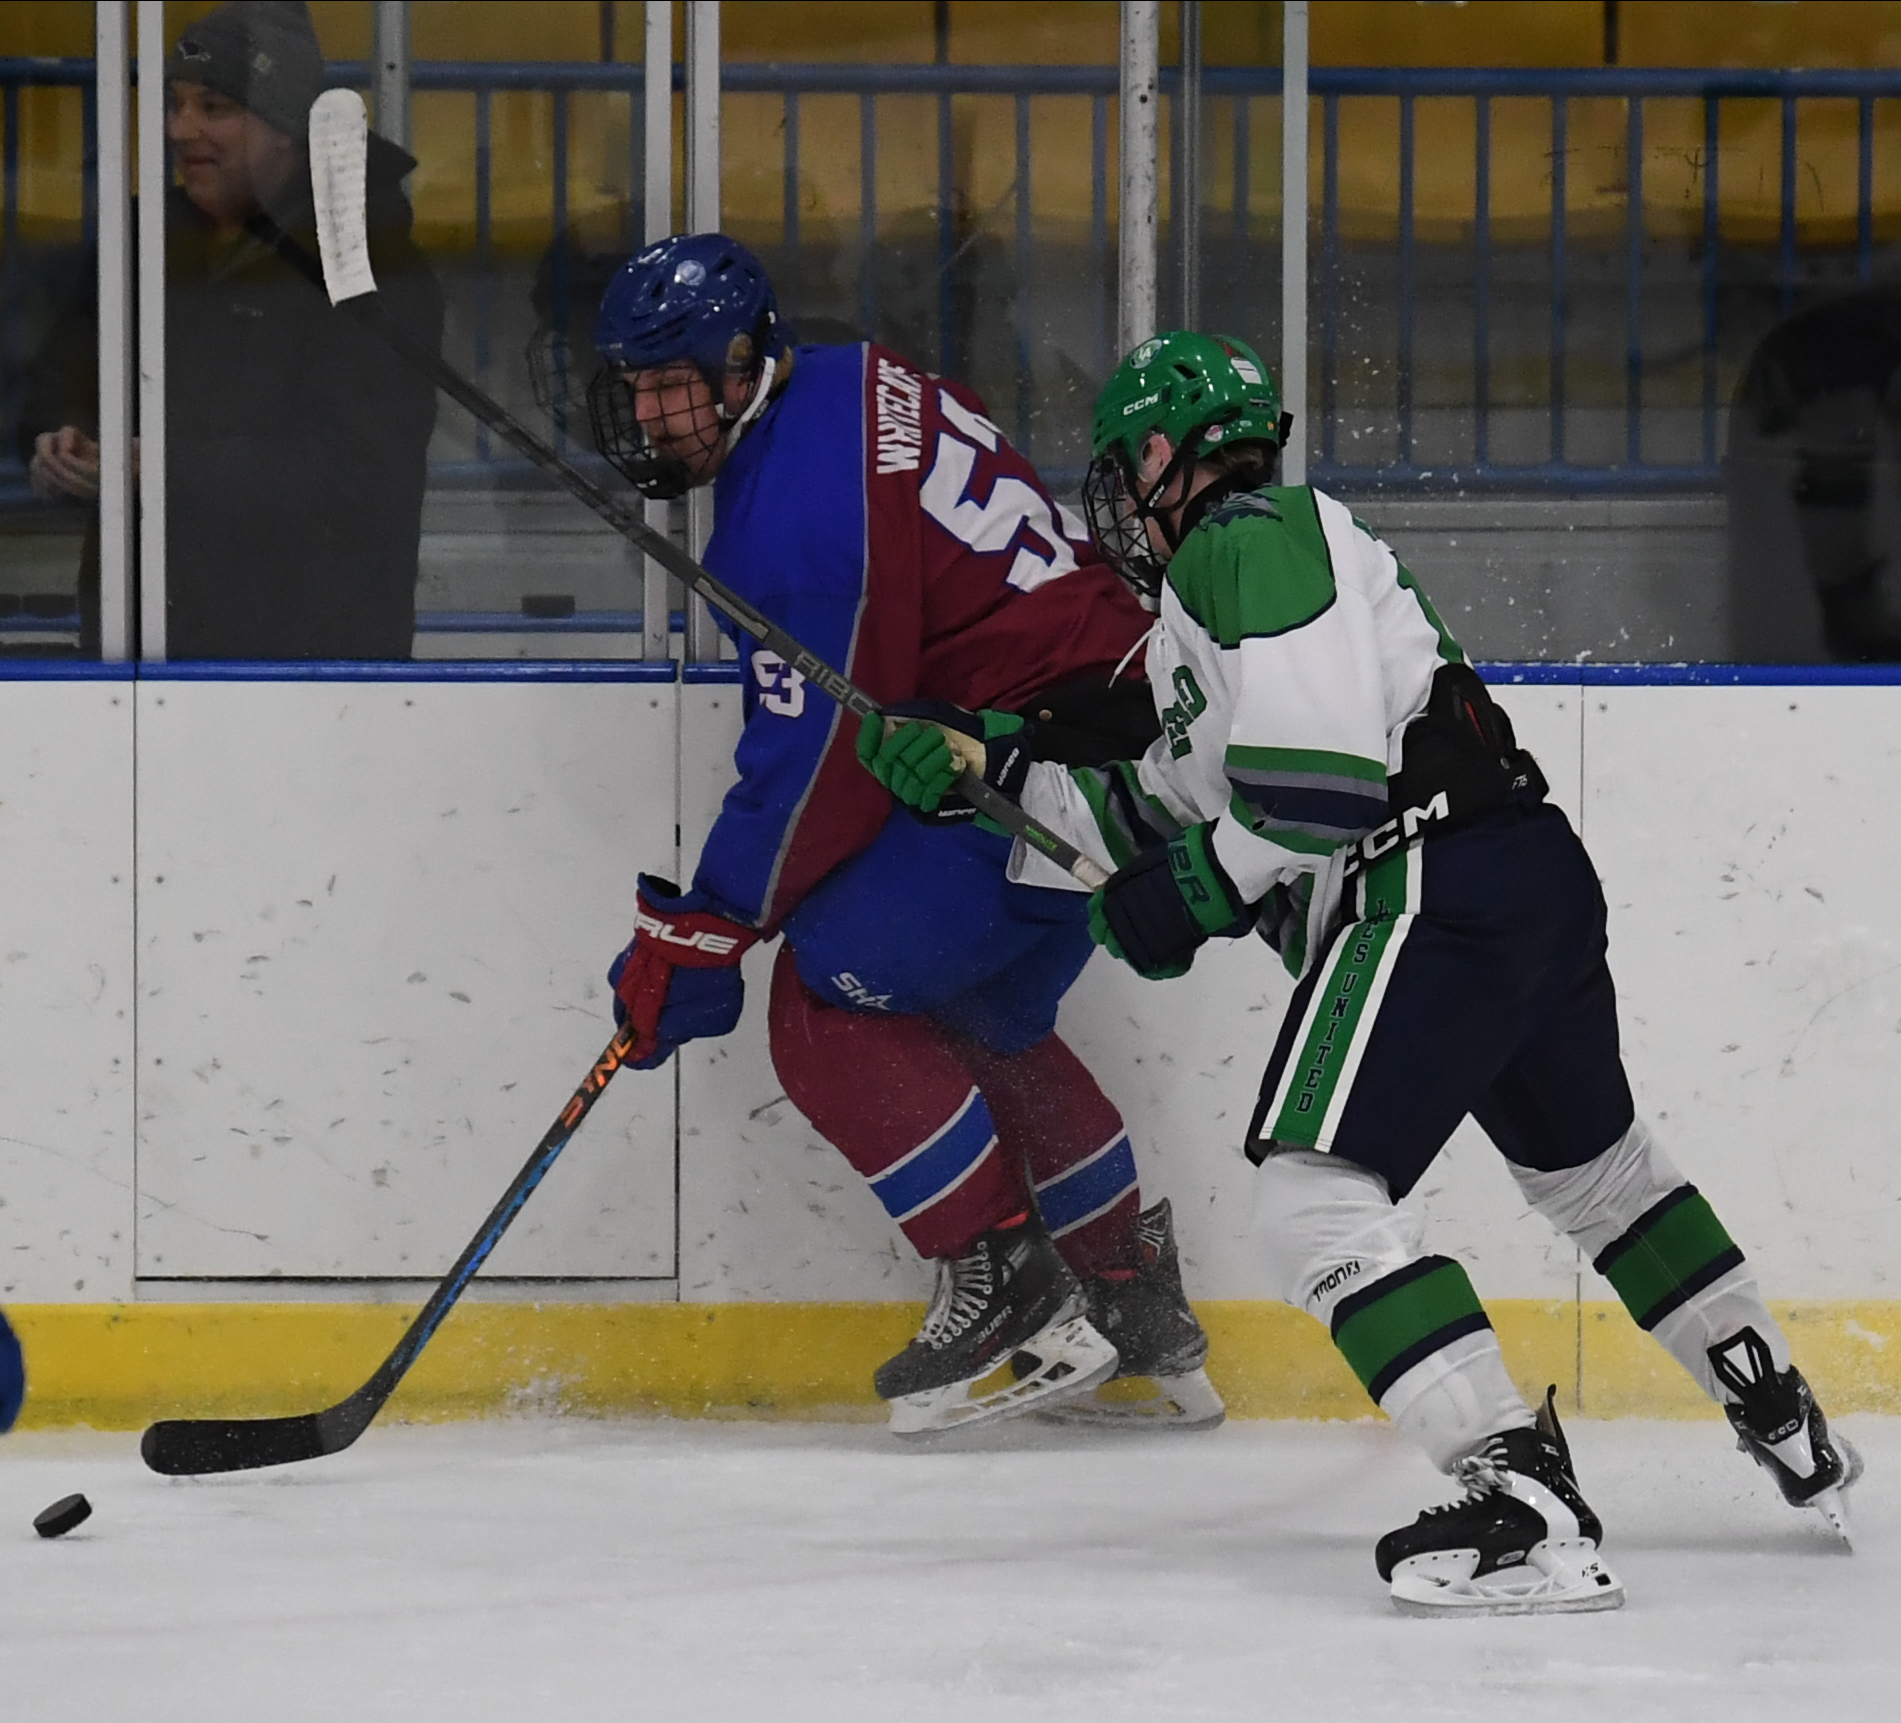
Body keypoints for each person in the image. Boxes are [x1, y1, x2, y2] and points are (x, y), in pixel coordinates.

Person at [863, 330, 1862, 1610]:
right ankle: (1775, 1405)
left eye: (1123, 467)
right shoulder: (1203, 621)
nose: (1116, 498)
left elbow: (1317, 787)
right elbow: (1153, 807)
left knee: (1312, 1198)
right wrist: (979, 775)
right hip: (1519, 875)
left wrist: (1193, 891)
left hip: (1430, 883)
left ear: (1163, 454)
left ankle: (1522, 1496)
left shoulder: (1251, 535)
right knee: (1597, 1175)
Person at [588, 231, 1221, 1437]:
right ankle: (1137, 1315)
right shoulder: (854, 378)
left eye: (674, 381)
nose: (653, 412)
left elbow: (818, 765)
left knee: (821, 1003)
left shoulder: (794, 526)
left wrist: (705, 929)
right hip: (1116, 733)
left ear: (742, 364)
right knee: (983, 1013)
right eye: (637, 384)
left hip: (1038, 765)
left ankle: (1013, 1291)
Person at [20, 0, 441, 659]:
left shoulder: (368, 262)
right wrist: (60, 441)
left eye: (214, 108)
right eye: (175, 103)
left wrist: (159, 470)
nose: (182, 129)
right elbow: (62, 378)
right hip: (138, 652)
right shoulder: (143, 240)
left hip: (313, 666)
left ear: (286, 126)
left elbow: (354, 474)